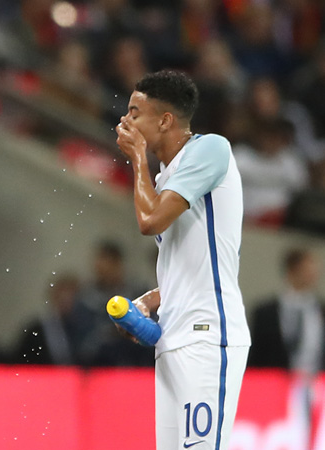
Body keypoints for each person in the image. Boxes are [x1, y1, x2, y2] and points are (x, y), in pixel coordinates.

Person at [114, 69, 251, 450]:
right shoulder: (165, 177)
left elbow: (149, 222)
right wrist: (148, 301)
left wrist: (138, 160)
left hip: (208, 337)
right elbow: (190, 262)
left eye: (134, 112)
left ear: (165, 120)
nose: (125, 121)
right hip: (172, 339)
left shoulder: (209, 149)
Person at [249, 248, 325, 374]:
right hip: (274, 381)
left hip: (316, 383)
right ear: (291, 270)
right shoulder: (266, 313)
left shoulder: (320, 310)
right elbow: (257, 353)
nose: (313, 274)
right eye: (306, 269)